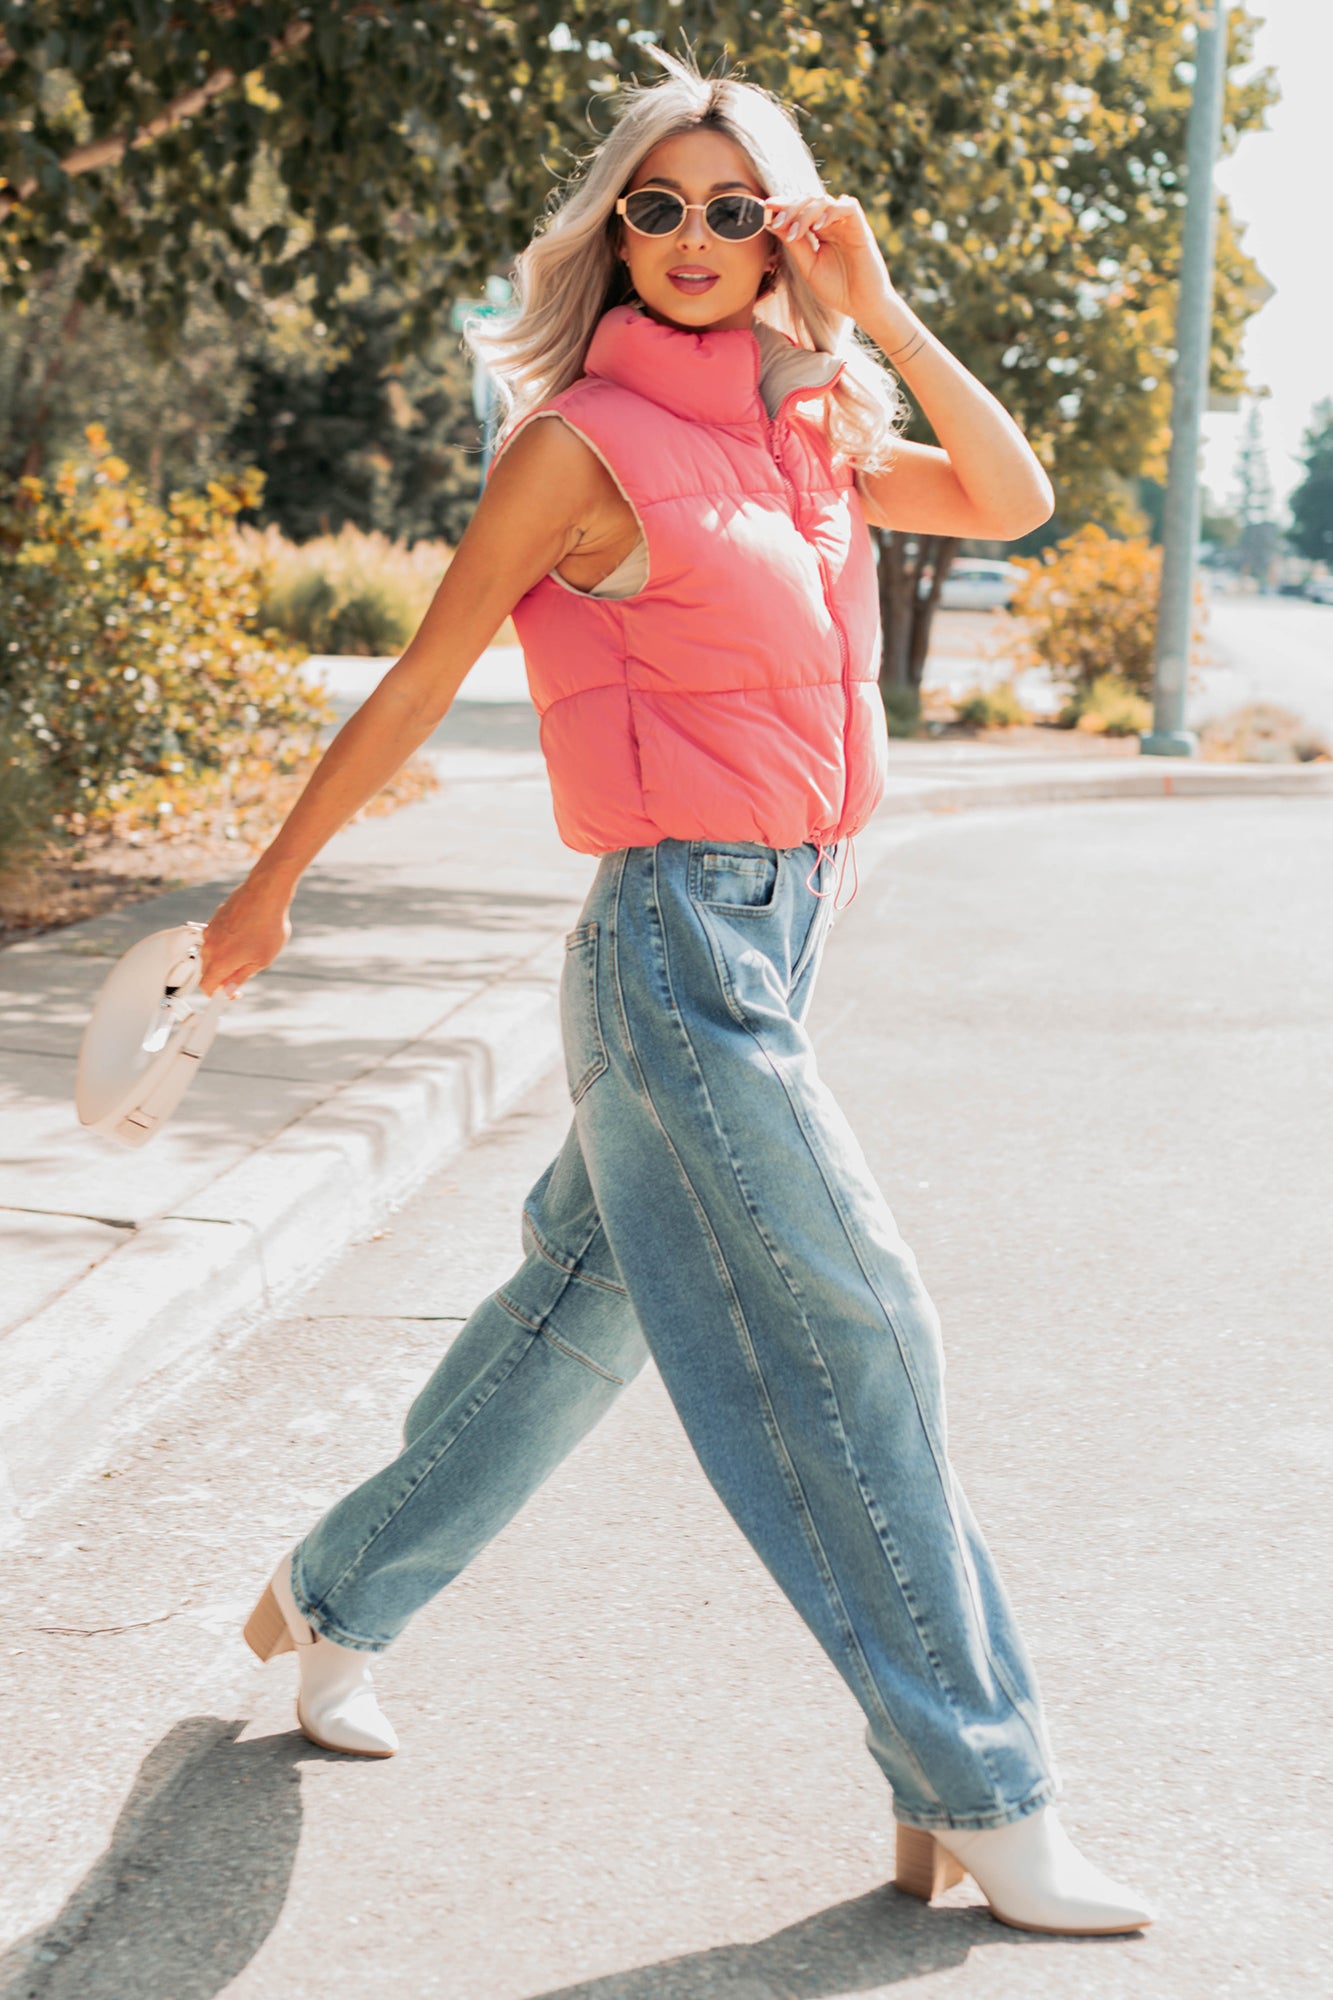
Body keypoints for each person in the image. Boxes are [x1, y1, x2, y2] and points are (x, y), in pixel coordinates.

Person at [203, 51, 1153, 1938]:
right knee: (861, 1324)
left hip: (783, 934)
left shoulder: (805, 435)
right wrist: (268, 887)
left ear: (781, 227)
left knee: (579, 1312)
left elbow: (1014, 494)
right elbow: (412, 680)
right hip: (674, 950)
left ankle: (331, 1599)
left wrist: (869, 305)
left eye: (741, 207)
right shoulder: (576, 444)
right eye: (661, 204)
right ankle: (980, 1786)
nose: (698, 238)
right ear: (612, 229)